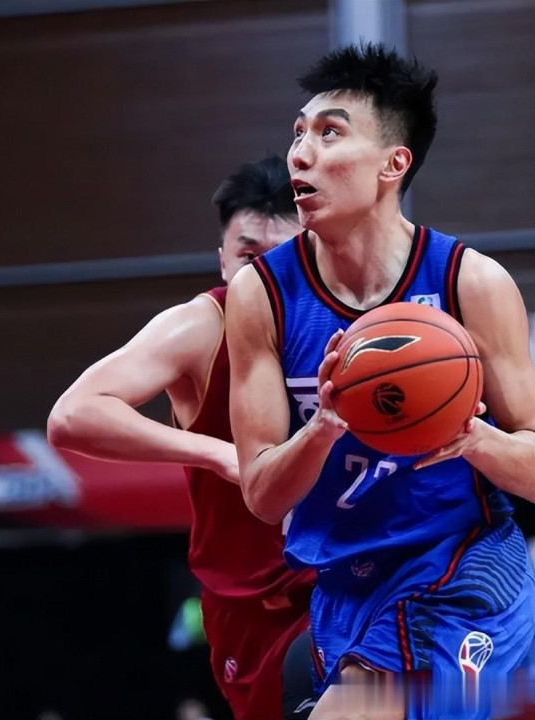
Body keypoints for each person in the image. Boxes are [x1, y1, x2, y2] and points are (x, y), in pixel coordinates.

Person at [226, 43, 535, 720]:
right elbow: (263, 496)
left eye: (329, 133)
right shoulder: (263, 294)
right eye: (298, 133)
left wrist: (473, 438)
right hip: (345, 584)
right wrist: (323, 424)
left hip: (461, 568)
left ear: (393, 164)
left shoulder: (469, 281)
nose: (300, 154)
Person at [48, 156, 315, 719]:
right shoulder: (200, 327)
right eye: (248, 257)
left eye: (282, 258)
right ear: (222, 260)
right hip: (255, 607)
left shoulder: (346, 325)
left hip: (344, 583)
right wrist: (219, 453)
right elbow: (72, 415)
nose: (262, 277)